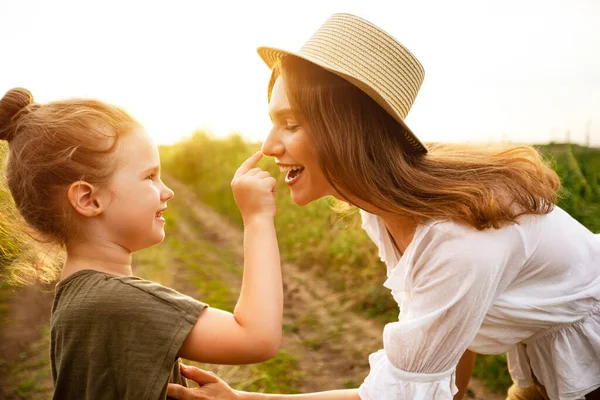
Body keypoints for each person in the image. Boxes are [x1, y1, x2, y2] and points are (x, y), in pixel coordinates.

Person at [167, 12, 600, 400]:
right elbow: (444, 336)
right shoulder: (380, 207)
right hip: (542, 358)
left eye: (291, 123)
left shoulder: (457, 235)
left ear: (349, 133)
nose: (268, 145)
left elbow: (396, 394)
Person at [0, 88, 283, 399]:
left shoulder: (80, 296)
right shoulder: (116, 301)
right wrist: (257, 218)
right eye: (150, 177)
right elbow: (256, 337)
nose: (167, 191)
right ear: (89, 199)